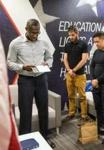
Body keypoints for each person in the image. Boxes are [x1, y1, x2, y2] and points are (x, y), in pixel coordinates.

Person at [7, 19, 55, 148]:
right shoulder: (15, 43)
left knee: (43, 110)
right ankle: (25, 142)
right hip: (25, 80)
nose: (35, 35)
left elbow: (50, 57)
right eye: (33, 32)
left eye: (37, 33)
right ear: (26, 29)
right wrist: (23, 67)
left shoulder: (43, 42)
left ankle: (45, 138)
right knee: (25, 112)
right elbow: (10, 63)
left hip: (41, 79)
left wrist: (47, 64)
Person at [64, 25, 88, 122]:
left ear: (77, 33)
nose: (71, 37)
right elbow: (65, 59)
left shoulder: (83, 44)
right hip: (69, 74)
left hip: (80, 75)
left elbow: (84, 59)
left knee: (82, 96)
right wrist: (69, 70)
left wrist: (74, 70)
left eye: (73, 35)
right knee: (70, 95)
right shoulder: (67, 45)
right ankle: (71, 113)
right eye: (69, 35)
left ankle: (84, 115)